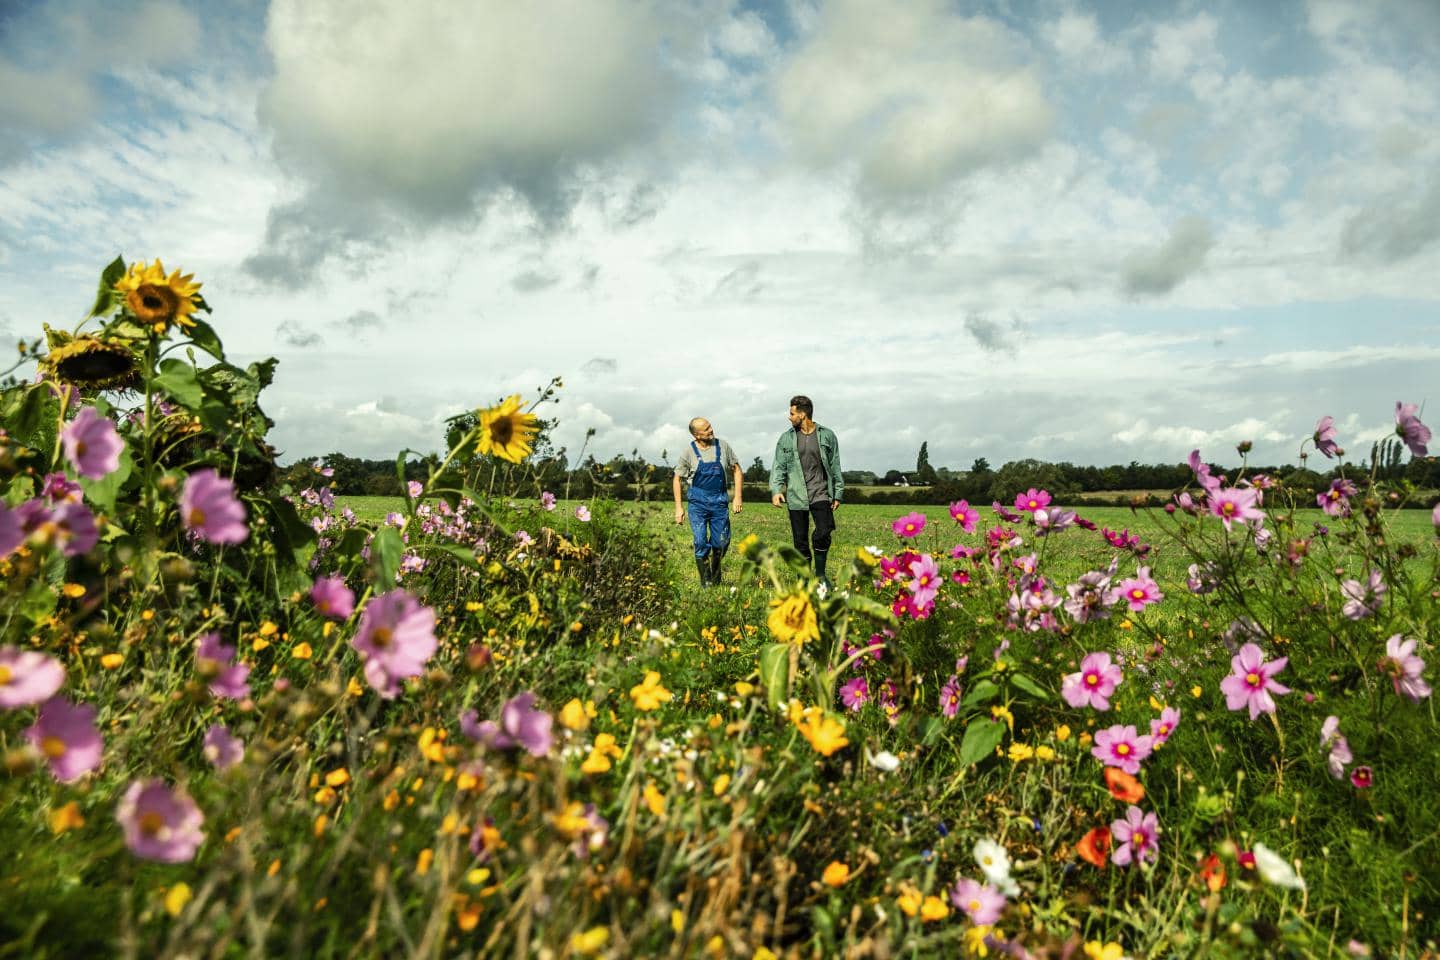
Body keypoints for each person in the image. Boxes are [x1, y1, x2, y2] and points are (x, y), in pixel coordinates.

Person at [768, 395, 842, 587]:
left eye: (792, 413)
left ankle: (820, 575)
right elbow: (779, 467)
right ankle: (803, 578)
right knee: (800, 541)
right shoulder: (786, 438)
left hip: (821, 493)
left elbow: (835, 466)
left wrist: (838, 492)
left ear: (803, 414)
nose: (789, 417)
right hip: (796, 494)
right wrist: (776, 490)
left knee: (824, 532)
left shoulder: (827, 435)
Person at [673, 417, 743, 586]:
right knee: (700, 541)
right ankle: (707, 581)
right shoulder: (688, 452)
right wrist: (679, 508)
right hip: (697, 504)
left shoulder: (723, 446)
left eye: (710, 426)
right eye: (706, 429)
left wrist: (738, 497)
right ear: (697, 435)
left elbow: (737, 470)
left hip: (719, 502)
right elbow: (677, 479)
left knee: (722, 542)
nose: (711, 430)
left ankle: (716, 570)